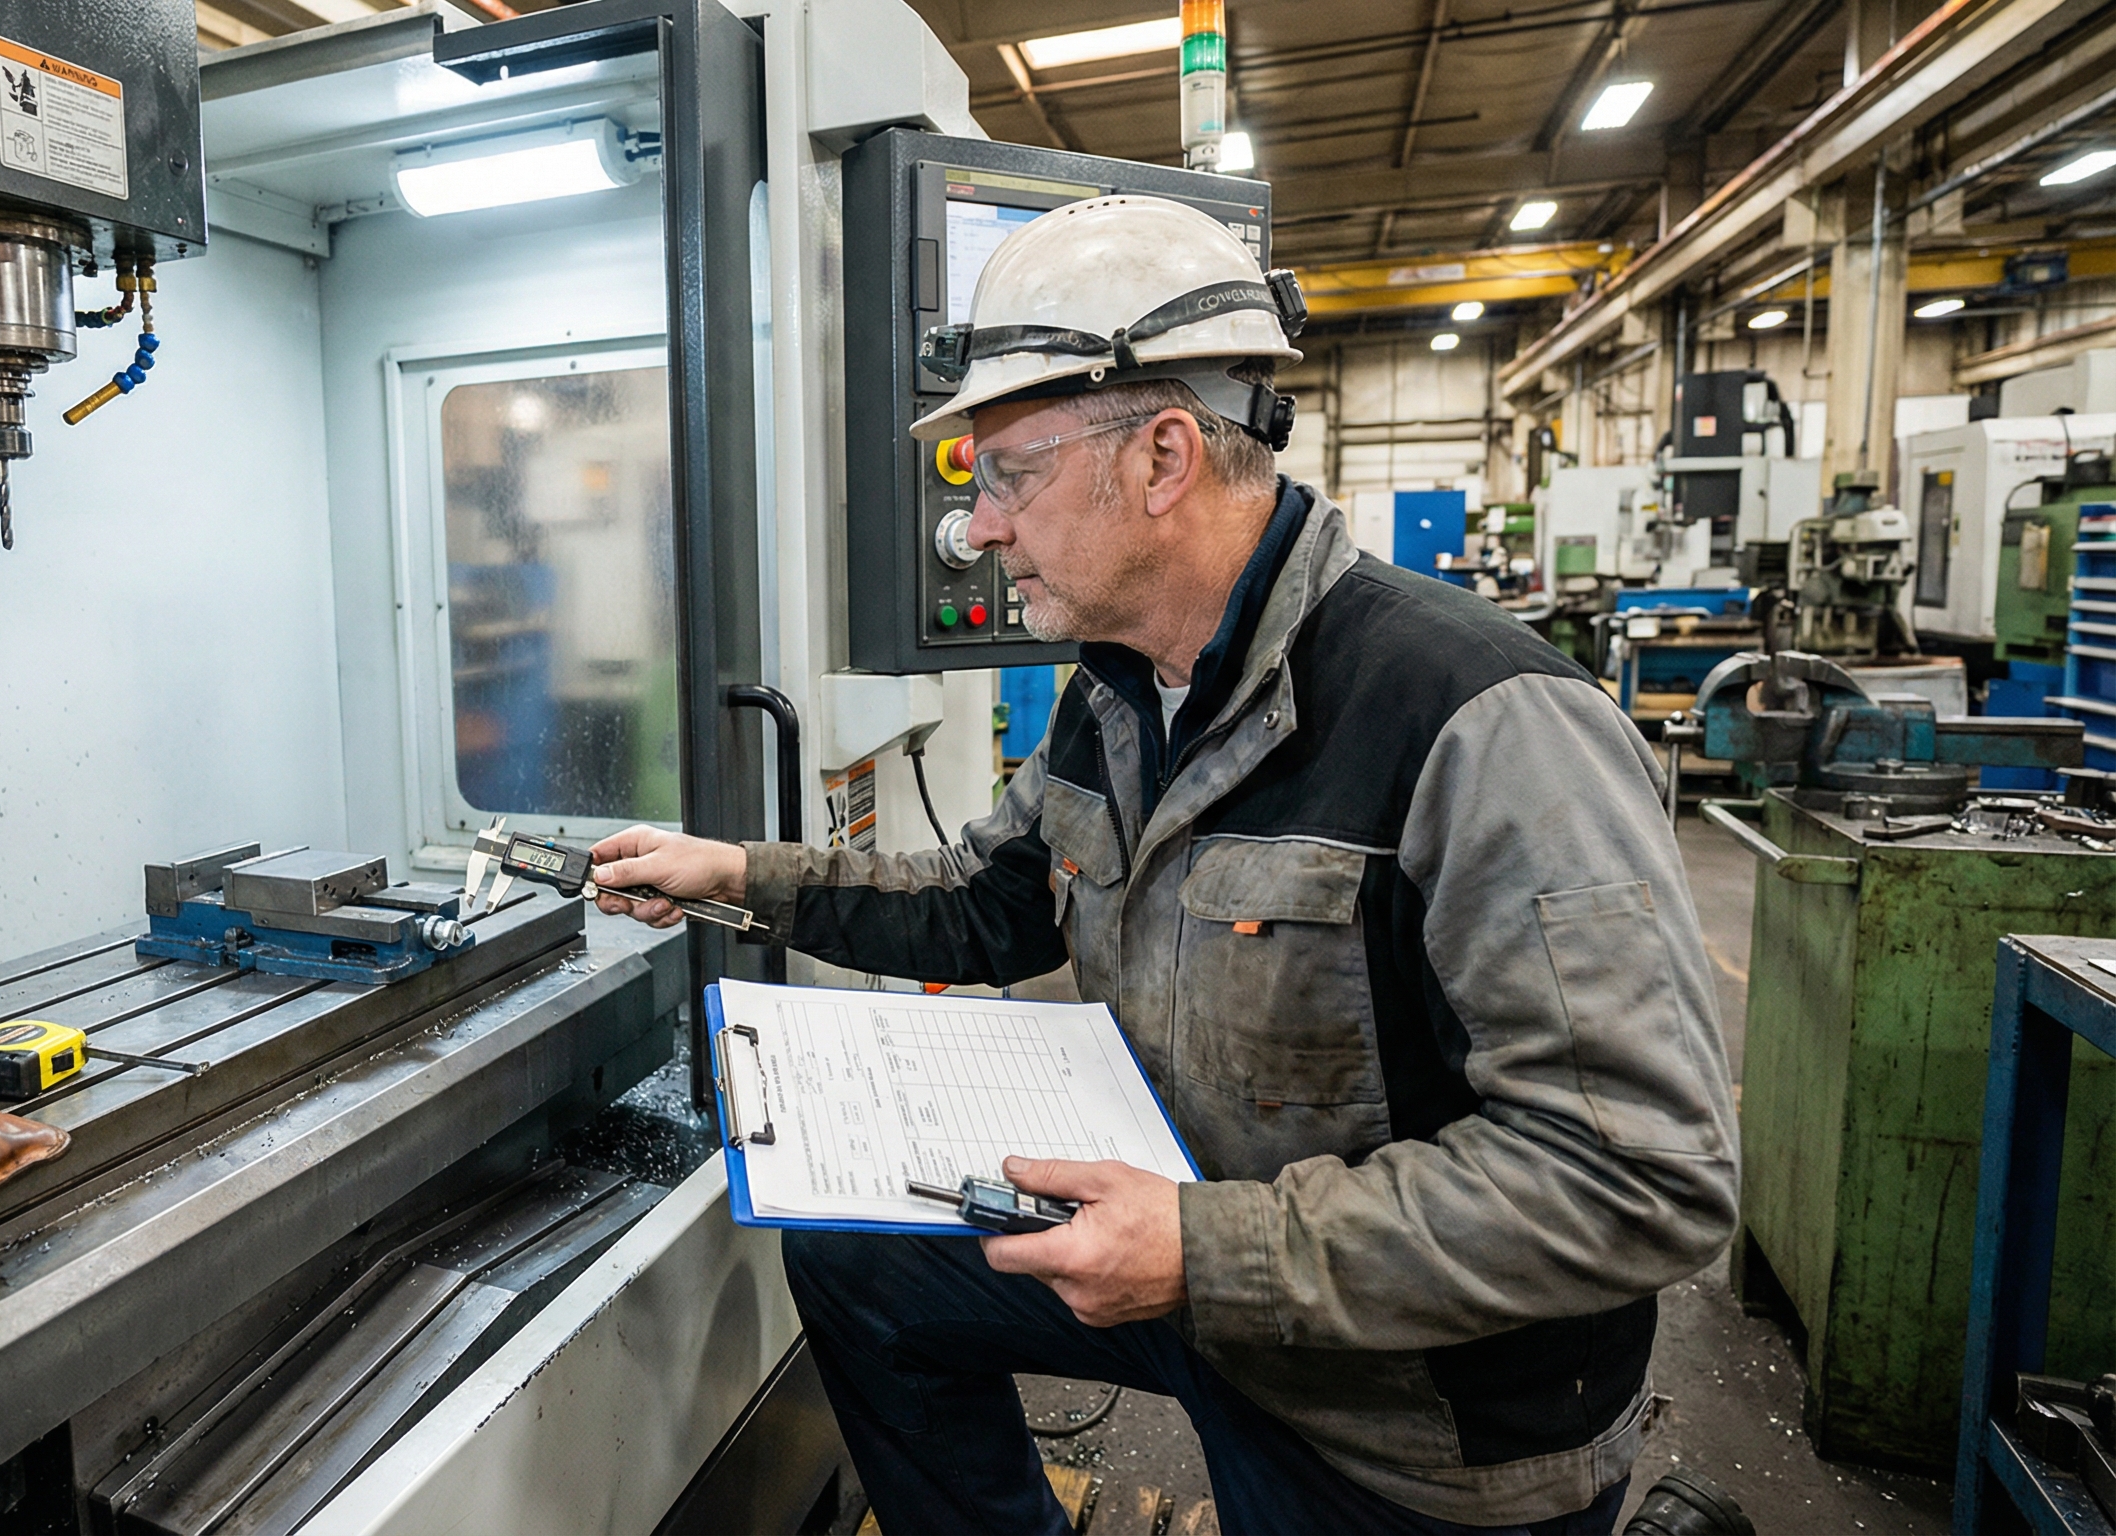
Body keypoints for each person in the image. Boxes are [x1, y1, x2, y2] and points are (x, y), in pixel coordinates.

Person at [587, 196, 1737, 1536]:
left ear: (1164, 457)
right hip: (1202, 1278)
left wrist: (1203, 1250)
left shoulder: (1476, 719)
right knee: (860, 1266)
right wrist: (734, 872)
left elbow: (1638, 1177)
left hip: (1413, 1421)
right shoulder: (1121, 695)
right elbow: (990, 901)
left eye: (1004, 474)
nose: (979, 531)